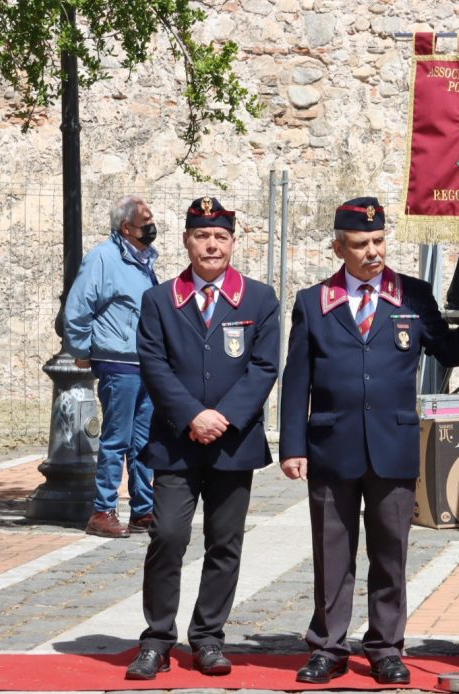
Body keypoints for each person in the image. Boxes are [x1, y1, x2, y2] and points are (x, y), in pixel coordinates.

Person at [279, 197, 459, 686]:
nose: (373, 252)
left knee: (390, 553)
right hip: (332, 446)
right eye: (361, 244)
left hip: (393, 446)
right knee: (332, 554)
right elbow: (297, 381)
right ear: (339, 246)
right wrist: (293, 445)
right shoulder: (313, 303)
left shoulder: (413, 296)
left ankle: (385, 646)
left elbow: (450, 352)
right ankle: (329, 646)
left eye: (379, 241)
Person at [125, 197, 280, 680]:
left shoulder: (259, 298)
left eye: (220, 236)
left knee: (224, 542)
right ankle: (156, 639)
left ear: (233, 242)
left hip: (234, 442)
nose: (211, 245)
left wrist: (224, 417)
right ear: (187, 240)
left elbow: (264, 366)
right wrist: (193, 415)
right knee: (168, 535)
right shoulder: (160, 300)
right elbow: (153, 363)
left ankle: (209, 638)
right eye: (202, 235)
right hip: (177, 439)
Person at [64, 195, 159, 539]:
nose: (152, 227)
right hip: (118, 361)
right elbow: (78, 307)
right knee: (116, 439)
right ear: (126, 227)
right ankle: (103, 511)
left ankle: (142, 510)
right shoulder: (103, 258)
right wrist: (82, 349)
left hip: (145, 362)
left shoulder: (145, 259)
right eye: (146, 221)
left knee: (143, 441)